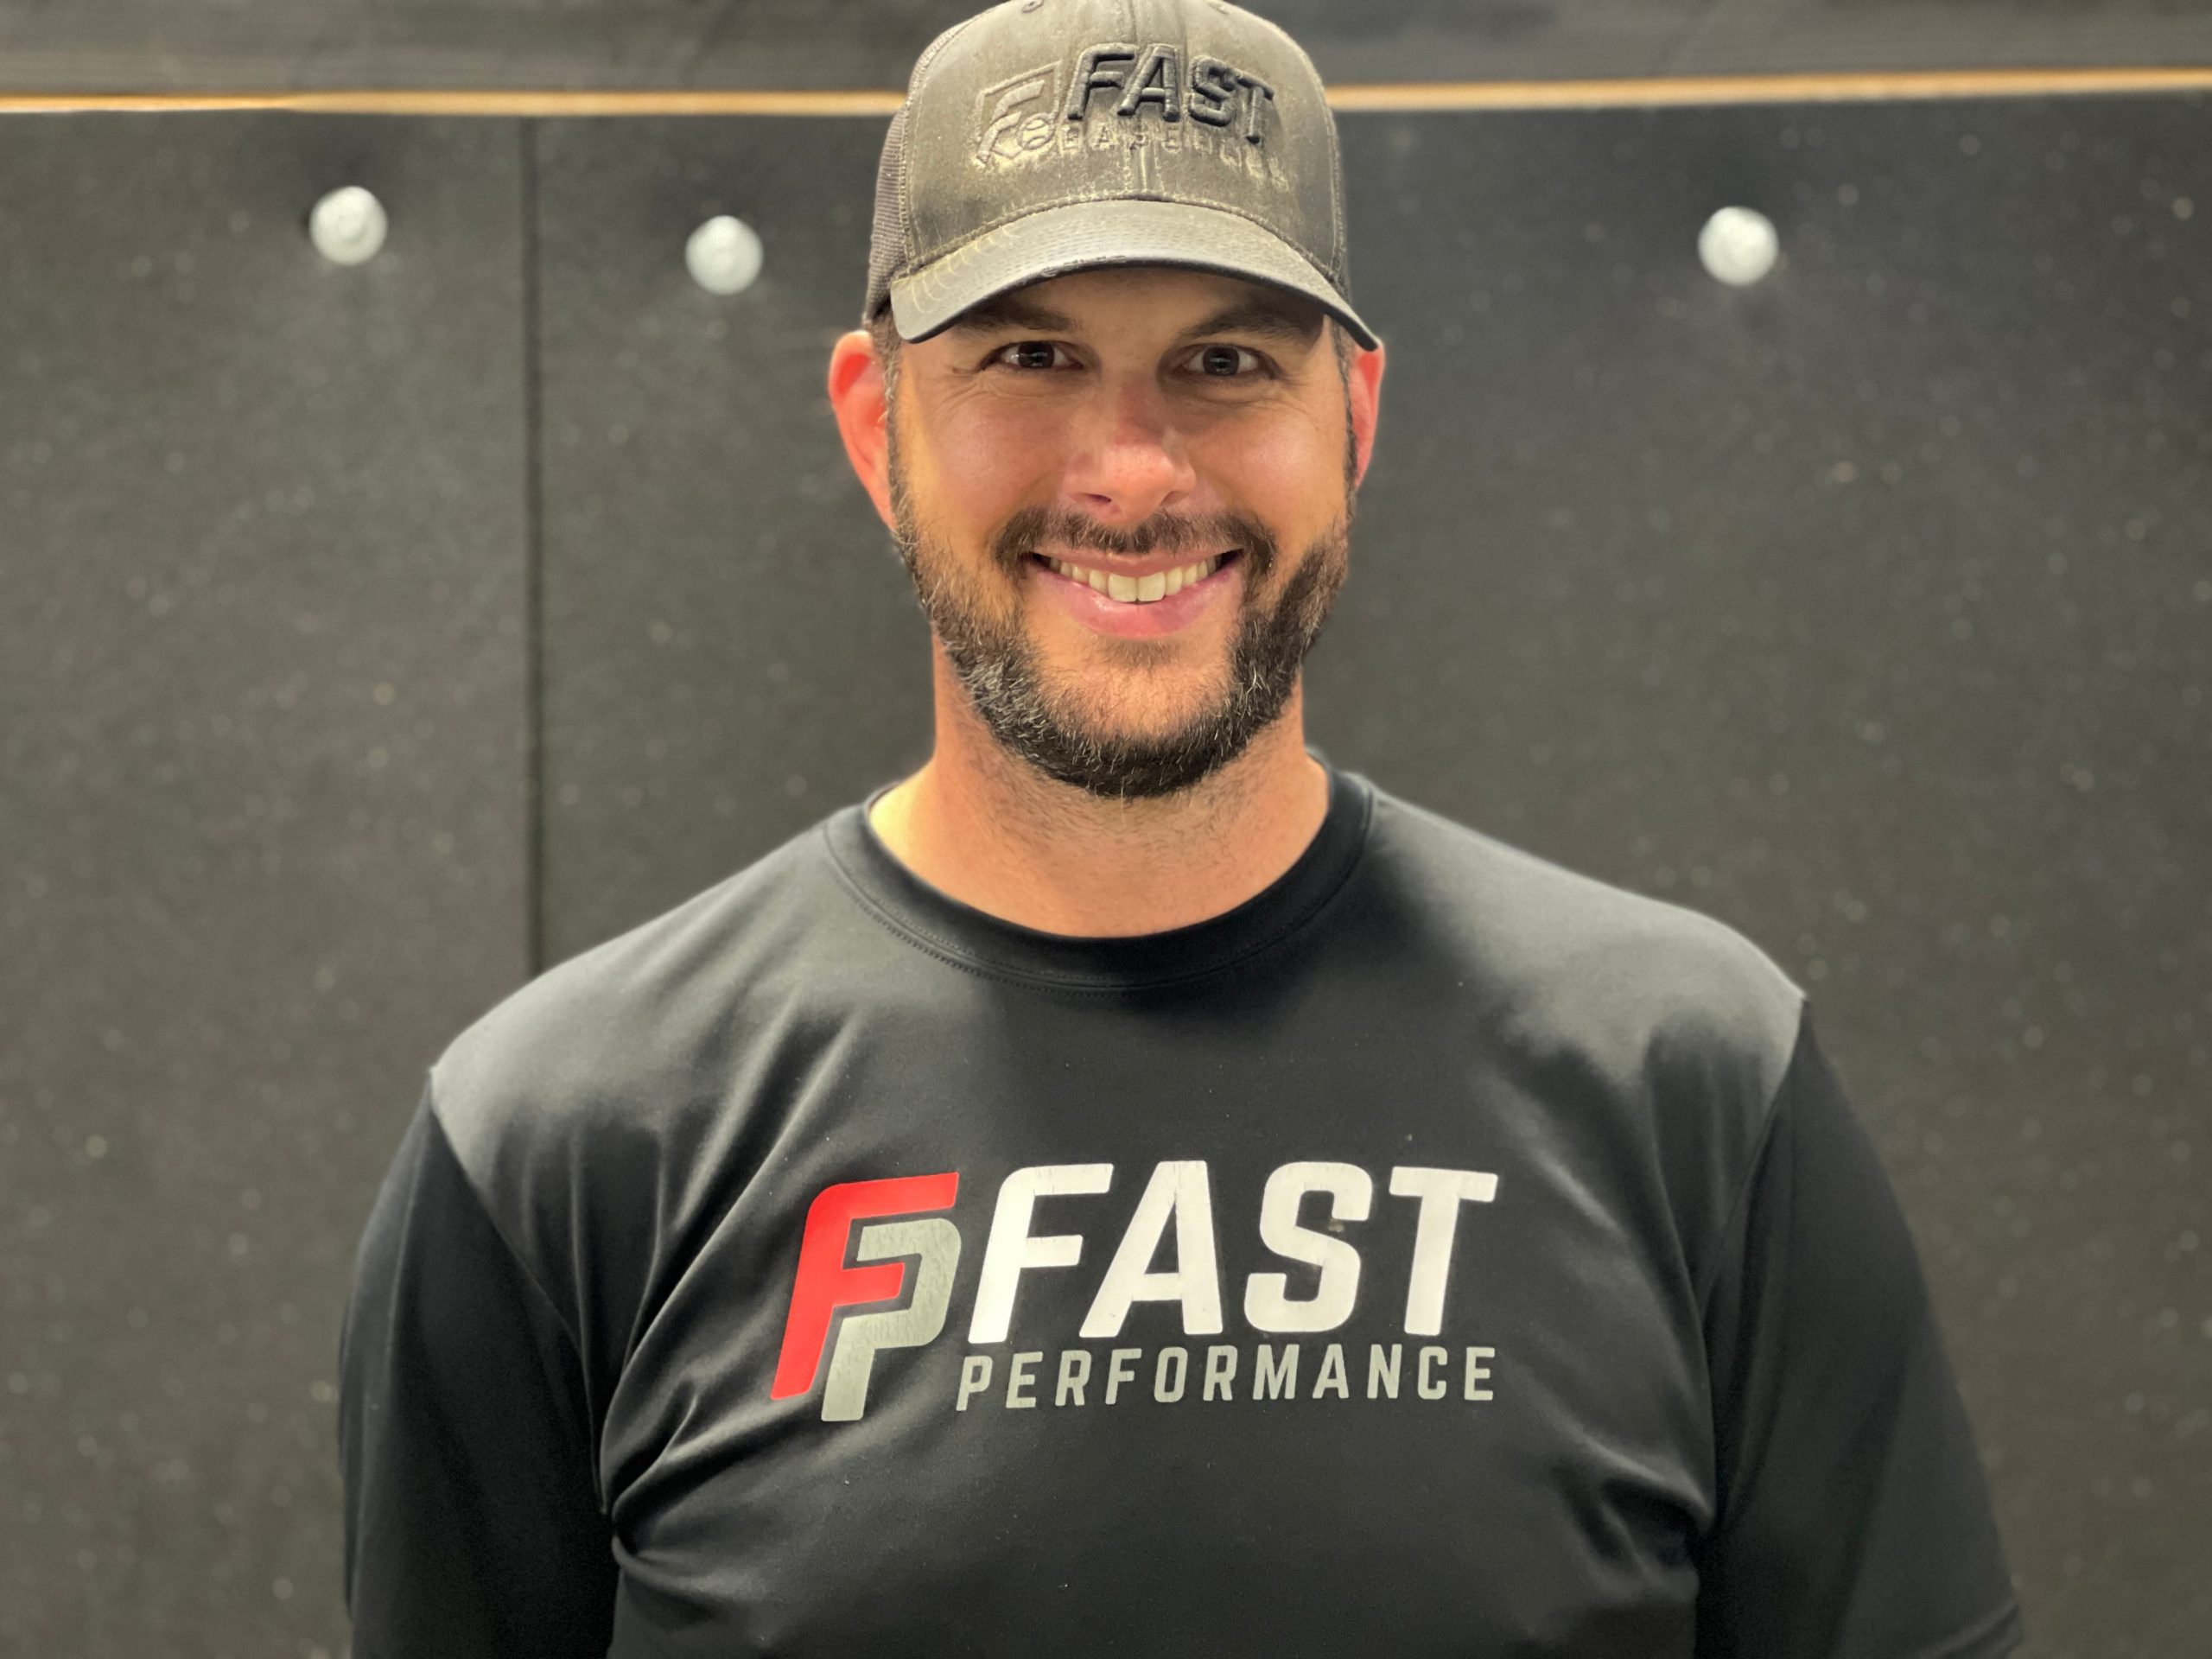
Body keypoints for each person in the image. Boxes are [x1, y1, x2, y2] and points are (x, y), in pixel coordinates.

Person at [338, 0, 2027, 1654]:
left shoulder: (1689, 1083)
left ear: (1353, 419)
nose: (1135, 472)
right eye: (1029, 356)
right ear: (874, 421)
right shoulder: (567, 1141)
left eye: (1224, 362)